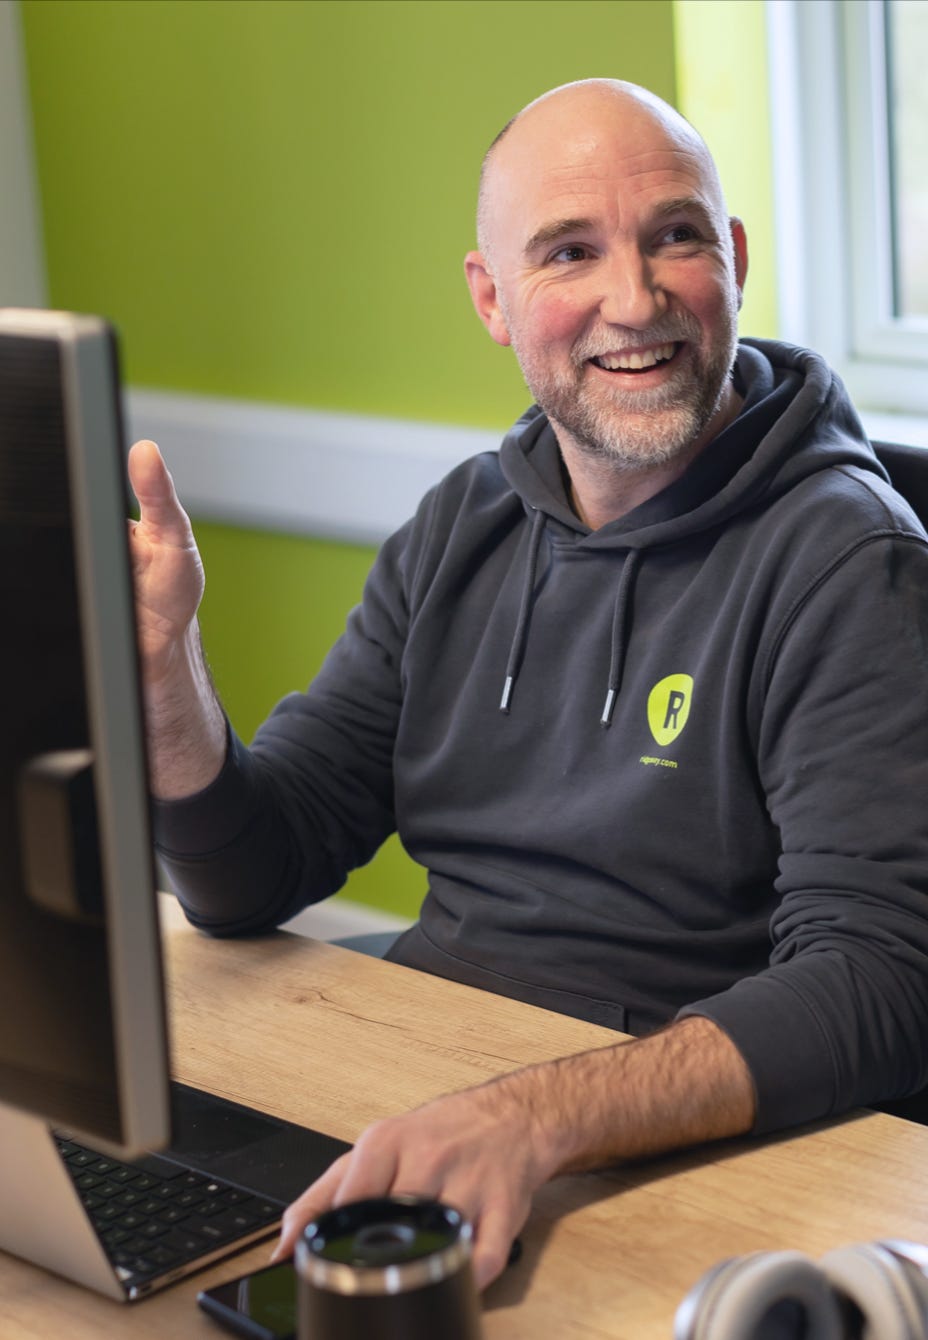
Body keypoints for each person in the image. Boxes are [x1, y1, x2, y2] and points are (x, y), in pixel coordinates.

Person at [128, 78, 928, 1289]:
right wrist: (166, 676)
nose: (635, 298)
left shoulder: (846, 560)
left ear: (736, 258)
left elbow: (880, 980)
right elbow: (253, 874)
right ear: (491, 298)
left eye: (675, 236)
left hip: (675, 1160)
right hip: (431, 1089)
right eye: (570, 251)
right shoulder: (465, 523)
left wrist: (528, 1117)